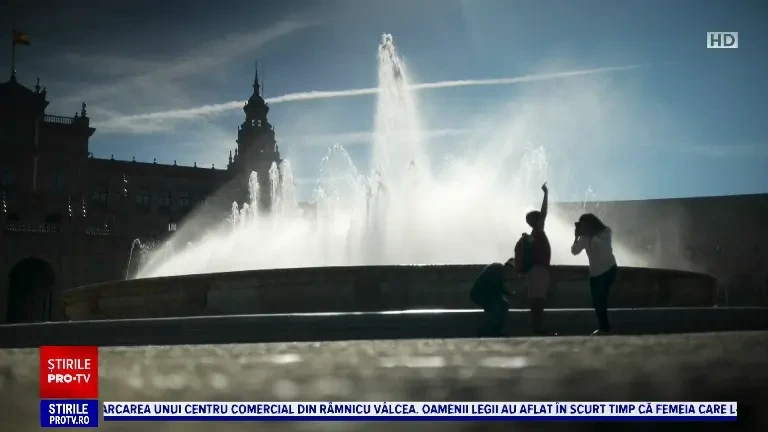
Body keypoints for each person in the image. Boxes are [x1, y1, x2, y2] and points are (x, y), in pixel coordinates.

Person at [571, 213, 618, 335]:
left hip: (608, 270)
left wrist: (589, 235)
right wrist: (576, 237)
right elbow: (574, 251)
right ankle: (604, 327)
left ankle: (605, 327)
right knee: (597, 301)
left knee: (601, 299)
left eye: (583, 225)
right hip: (595, 273)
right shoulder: (584, 238)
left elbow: (602, 247)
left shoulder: (605, 232)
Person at [516, 183, 551, 335]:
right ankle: (537, 329)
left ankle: (537, 328)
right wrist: (546, 194)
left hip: (534, 271)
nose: (543, 219)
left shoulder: (533, 233)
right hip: (538, 271)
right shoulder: (537, 231)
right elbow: (544, 212)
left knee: (536, 301)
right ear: (537, 221)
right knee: (538, 302)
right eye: (540, 218)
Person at [470, 259, 516, 337]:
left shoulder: (499, 269)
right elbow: (499, 285)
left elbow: (499, 284)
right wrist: (510, 294)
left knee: (502, 305)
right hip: (480, 295)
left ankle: (493, 330)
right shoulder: (498, 268)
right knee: (499, 307)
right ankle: (488, 331)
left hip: (483, 295)